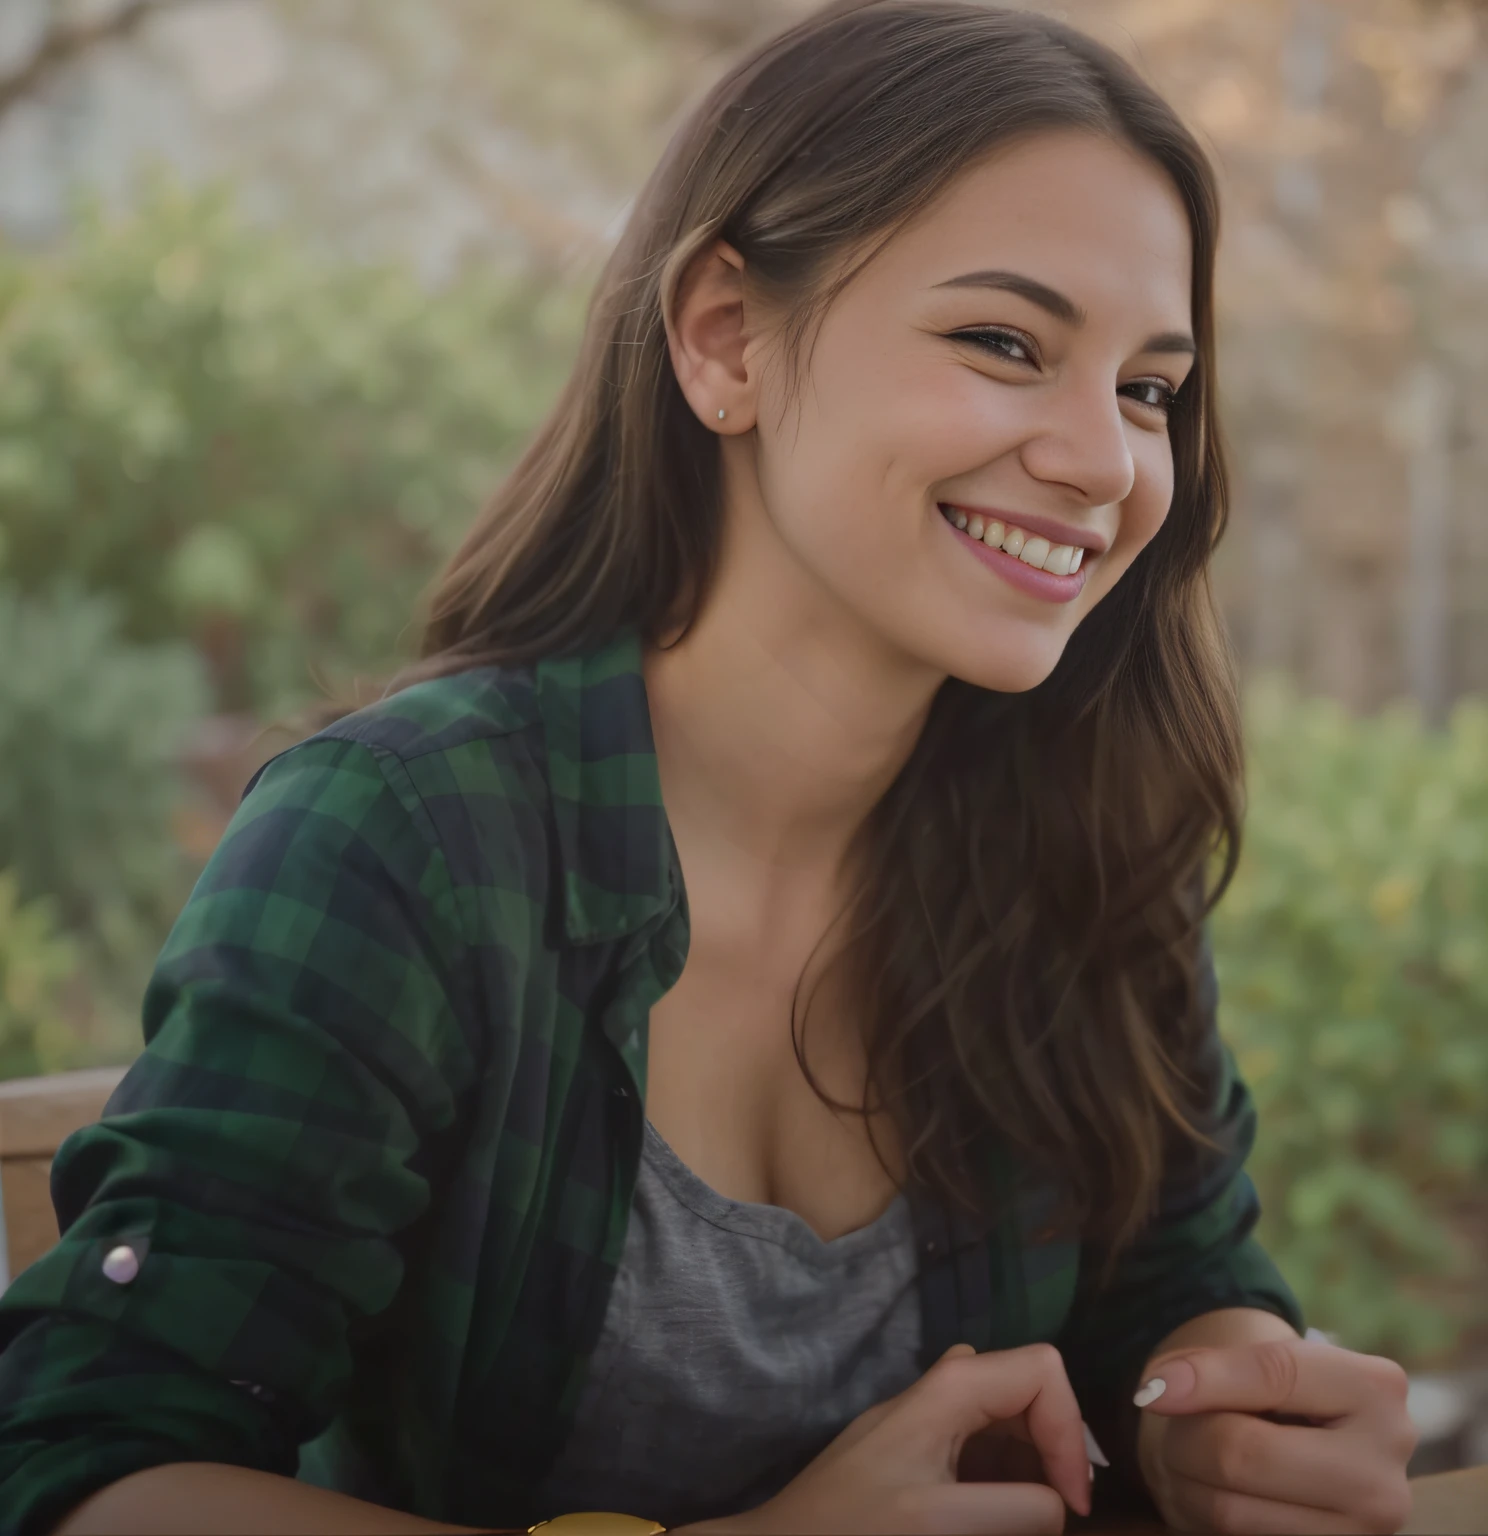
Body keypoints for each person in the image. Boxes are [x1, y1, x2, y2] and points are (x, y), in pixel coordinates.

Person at [0, 3, 1419, 1533]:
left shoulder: (1088, 829)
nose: (1107, 459)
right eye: (1004, 343)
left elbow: (1180, 1287)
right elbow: (91, 1475)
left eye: (1150, 387)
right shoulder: (404, 842)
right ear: (725, 337)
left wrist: (1217, 1407)